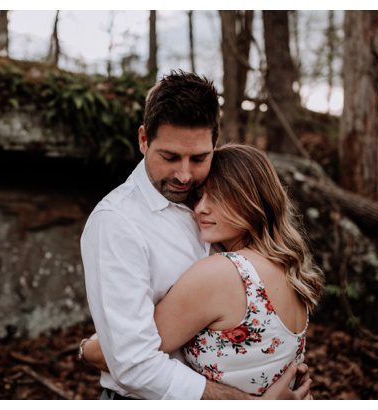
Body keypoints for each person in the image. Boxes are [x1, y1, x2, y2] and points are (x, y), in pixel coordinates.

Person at [78, 70, 310, 400]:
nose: (185, 175)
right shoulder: (117, 224)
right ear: (144, 140)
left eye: (199, 158)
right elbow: (133, 365)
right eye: (170, 157)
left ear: (214, 144)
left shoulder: (224, 209)